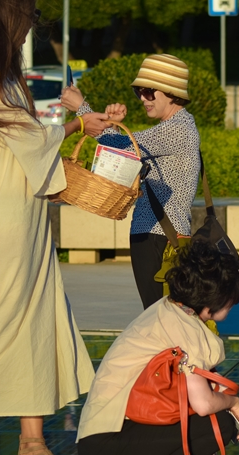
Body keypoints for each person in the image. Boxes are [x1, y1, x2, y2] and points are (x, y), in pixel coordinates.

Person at [0, 0, 102, 455]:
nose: (29, 30)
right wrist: (79, 125)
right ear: (11, 16)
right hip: (8, 213)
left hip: (28, 211)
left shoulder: (3, 73)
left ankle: (33, 444)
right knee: (5, 321)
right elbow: (27, 138)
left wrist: (73, 125)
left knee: (38, 317)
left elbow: (33, 139)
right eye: (27, 18)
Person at [77, 241, 239, 455]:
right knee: (220, 424)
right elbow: (203, 404)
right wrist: (232, 401)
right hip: (106, 448)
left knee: (211, 418)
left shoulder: (167, 310)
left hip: (102, 442)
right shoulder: (186, 331)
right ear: (214, 302)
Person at [60, 55, 201, 309]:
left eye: (149, 92)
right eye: (139, 92)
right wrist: (107, 120)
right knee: (164, 317)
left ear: (171, 93)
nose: (143, 99)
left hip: (159, 237)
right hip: (156, 235)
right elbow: (126, 149)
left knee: (160, 318)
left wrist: (82, 109)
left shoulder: (178, 128)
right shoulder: (174, 126)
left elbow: (120, 148)